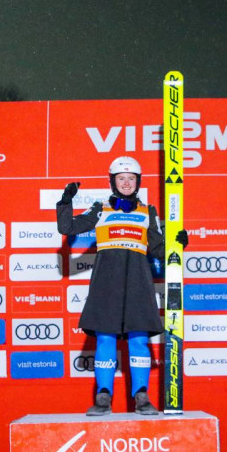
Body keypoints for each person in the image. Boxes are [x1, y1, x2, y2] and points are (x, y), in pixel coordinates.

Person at [57, 156, 188, 416]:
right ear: (112, 182)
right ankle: (103, 397)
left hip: (138, 281)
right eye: (121, 179)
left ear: (137, 182)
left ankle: (141, 396)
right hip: (107, 281)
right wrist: (65, 201)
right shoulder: (100, 208)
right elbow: (67, 226)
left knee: (138, 339)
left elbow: (159, 250)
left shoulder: (147, 211)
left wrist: (178, 243)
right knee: (105, 338)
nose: (126, 183)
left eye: (131, 179)